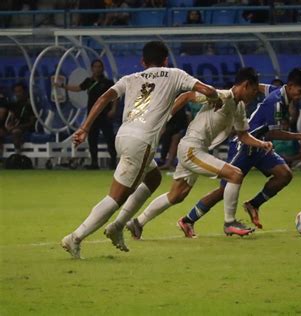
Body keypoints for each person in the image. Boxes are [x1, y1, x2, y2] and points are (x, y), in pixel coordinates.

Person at [61, 41, 221, 259]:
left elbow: (103, 98)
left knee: (153, 178)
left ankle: (117, 227)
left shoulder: (132, 78)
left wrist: (84, 128)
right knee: (116, 198)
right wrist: (215, 99)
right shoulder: (174, 74)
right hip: (141, 142)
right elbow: (208, 90)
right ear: (166, 60)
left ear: (143, 62)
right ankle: (76, 238)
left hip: (123, 136)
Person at [118, 67, 272, 239]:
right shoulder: (221, 96)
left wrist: (261, 143)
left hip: (197, 149)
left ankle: (137, 224)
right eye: (253, 89)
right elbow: (186, 96)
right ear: (245, 85)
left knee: (177, 195)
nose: (255, 93)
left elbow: (243, 135)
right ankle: (230, 223)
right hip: (192, 148)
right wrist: (164, 119)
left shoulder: (239, 107)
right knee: (235, 175)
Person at [174, 68, 301, 238]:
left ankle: (253, 204)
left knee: (284, 174)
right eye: (300, 91)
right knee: (225, 188)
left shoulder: (277, 90)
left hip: (260, 146)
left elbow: (260, 87)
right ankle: (188, 219)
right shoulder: (277, 102)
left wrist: (247, 88)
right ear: (291, 86)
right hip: (244, 146)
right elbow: (274, 133)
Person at [55, 59, 118, 169]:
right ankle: (94, 163)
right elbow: (77, 88)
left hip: (105, 115)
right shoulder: (88, 81)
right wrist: (62, 86)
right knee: (92, 139)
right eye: (95, 67)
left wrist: (113, 109)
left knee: (109, 138)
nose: (97, 69)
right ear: (92, 69)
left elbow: (116, 97)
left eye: (99, 67)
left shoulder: (108, 82)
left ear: (102, 68)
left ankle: (113, 162)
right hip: (92, 115)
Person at [1, 83, 36, 155]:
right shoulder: (12, 105)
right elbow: (9, 119)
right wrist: (9, 126)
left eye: (20, 91)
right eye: (16, 92)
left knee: (16, 132)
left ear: (25, 92)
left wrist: (18, 127)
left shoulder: (30, 106)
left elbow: (32, 122)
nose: (18, 94)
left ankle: (17, 154)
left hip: (25, 128)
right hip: (13, 127)